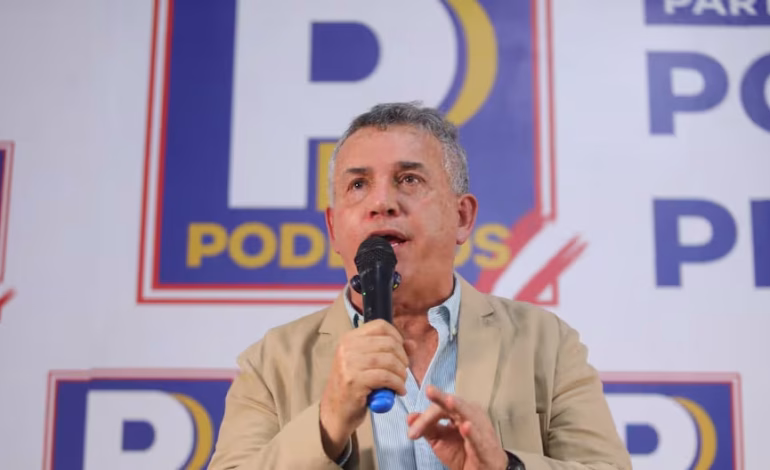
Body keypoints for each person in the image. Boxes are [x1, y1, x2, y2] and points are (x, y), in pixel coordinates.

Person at [208, 102, 632, 470]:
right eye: (358, 185)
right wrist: (327, 422)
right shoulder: (272, 363)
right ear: (334, 229)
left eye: (409, 179)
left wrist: (506, 466)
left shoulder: (547, 344)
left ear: (462, 217)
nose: (381, 203)